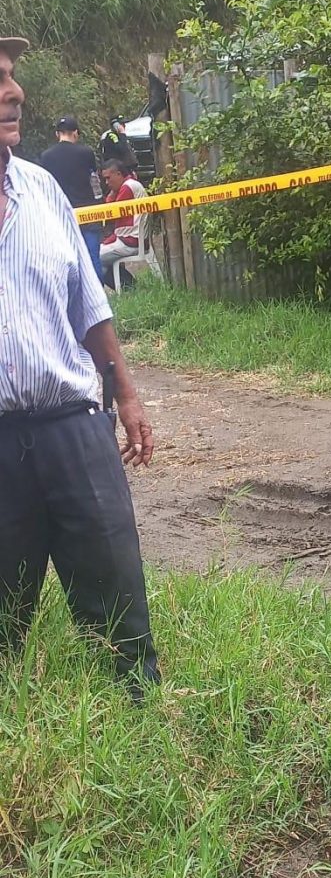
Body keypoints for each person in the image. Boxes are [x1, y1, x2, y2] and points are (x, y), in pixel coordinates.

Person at [0, 36, 160, 701]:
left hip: (73, 427)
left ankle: (139, 718)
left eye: (10, 76)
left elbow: (87, 303)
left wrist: (126, 394)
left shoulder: (41, 190)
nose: (13, 92)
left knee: (119, 610)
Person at [40, 114, 102, 278]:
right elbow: (94, 181)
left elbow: (46, 187)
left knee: (66, 259)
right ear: (75, 133)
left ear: (57, 134)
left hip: (60, 215)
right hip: (88, 213)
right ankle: (97, 290)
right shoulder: (86, 152)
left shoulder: (46, 156)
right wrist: (100, 204)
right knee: (92, 257)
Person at [100, 159, 147, 289]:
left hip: (130, 241)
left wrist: (112, 195)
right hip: (129, 238)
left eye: (108, 178)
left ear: (119, 174)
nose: (107, 183)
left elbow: (110, 214)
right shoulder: (130, 185)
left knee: (92, 259)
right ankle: (129, 288)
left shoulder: (127, 187)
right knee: (96, 257)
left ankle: (129, 289)